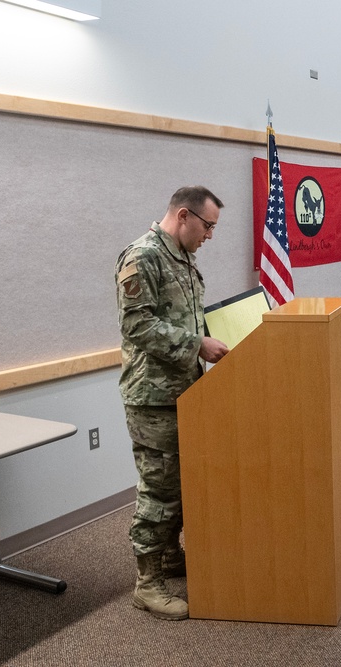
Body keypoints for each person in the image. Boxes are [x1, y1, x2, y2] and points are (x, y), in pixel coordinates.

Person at [115, 186, 229, 621]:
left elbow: (185, 316)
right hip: (153, 397)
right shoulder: (142, 256)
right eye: (208, 226)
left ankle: (167, 555)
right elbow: (138, 326)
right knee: (159, 490)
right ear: (184, 216)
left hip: (184, 390)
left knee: (181, 482)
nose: (210, 235)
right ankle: (147, 583)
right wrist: (196, 344)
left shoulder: (181, 257)